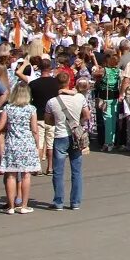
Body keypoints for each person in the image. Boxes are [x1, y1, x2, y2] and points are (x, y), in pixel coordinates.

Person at [45, 71, 89, 210]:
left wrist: (57, 121)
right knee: (76, 170)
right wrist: (78, 124)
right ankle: (75, 202)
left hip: (60, 135)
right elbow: (87, 115)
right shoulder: (80, 98)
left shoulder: (52, 102)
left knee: (58, 171)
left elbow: (48, 120)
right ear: (69, 81)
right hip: (76, 136)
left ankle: (58, 201)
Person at [0, 82, 39, 215]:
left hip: (12, 143)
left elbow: (0, 126)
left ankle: (11, 206)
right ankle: (24, 205)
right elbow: (35, 130)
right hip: (26, 144)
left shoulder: (8, 108)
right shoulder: (31, 109)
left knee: (10, 175)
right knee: (26, 175)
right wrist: (37, 145)